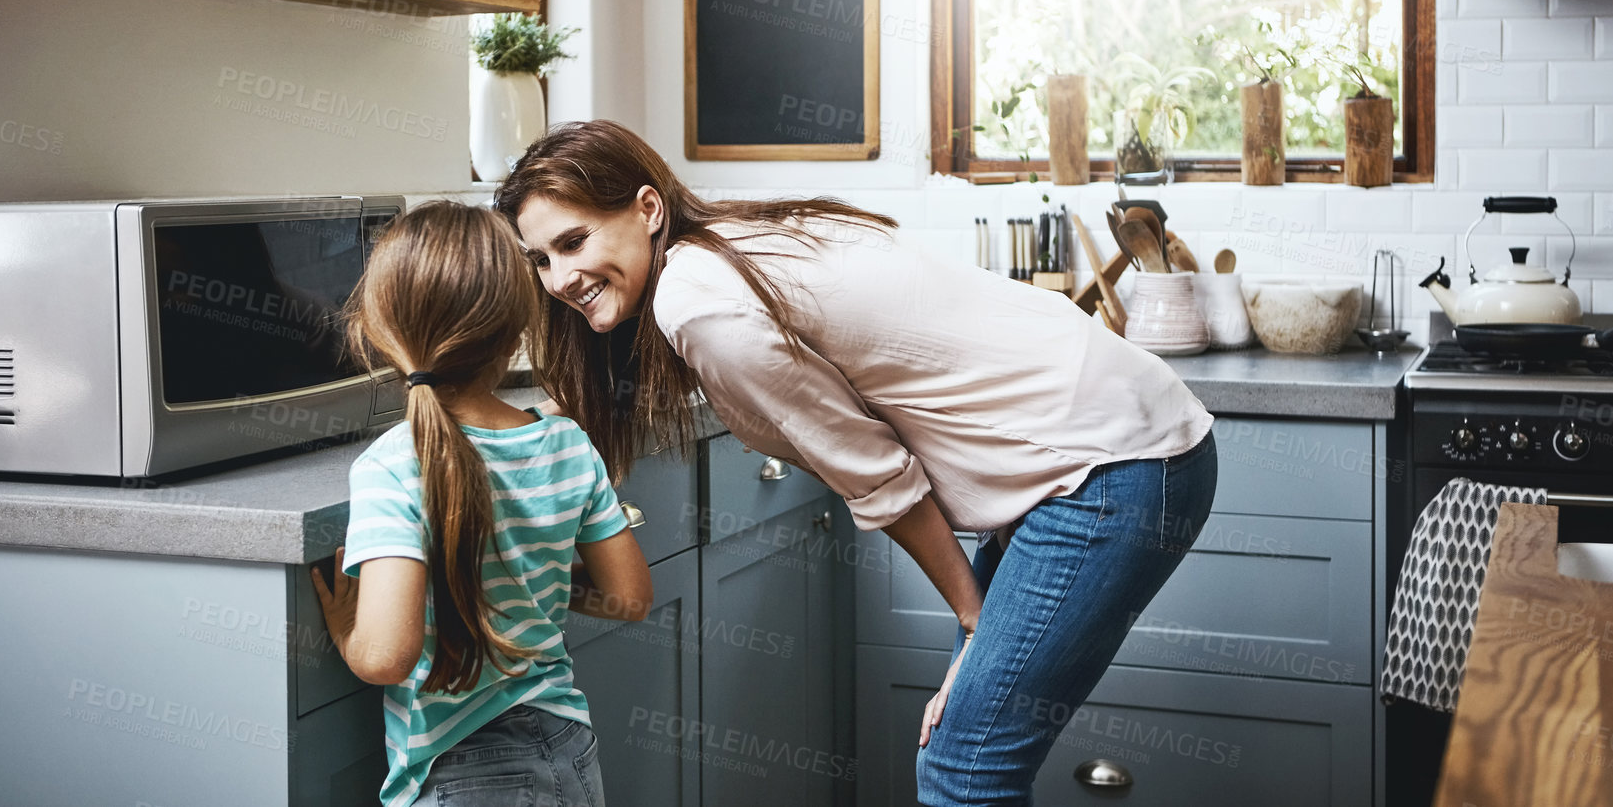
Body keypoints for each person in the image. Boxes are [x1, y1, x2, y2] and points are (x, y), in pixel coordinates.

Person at [497, 120, 1219, 807]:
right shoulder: (721, 246)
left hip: (1106, 465)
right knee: (962, 750)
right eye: (540, 259)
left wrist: (975, 622)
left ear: (647, 207)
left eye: (572, 241)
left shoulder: (696, 299)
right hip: (1085, 450)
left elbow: (877, 473)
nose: (558, 278)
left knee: (964, 766)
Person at [311, 200, 653, 807]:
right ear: (517, 329)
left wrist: (347, 634)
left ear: (376, 328)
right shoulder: (566, 442)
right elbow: (628, 597)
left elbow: (388, 656)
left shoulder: (392, 466)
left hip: (459, 766)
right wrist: (526, 573)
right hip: (569, 745)